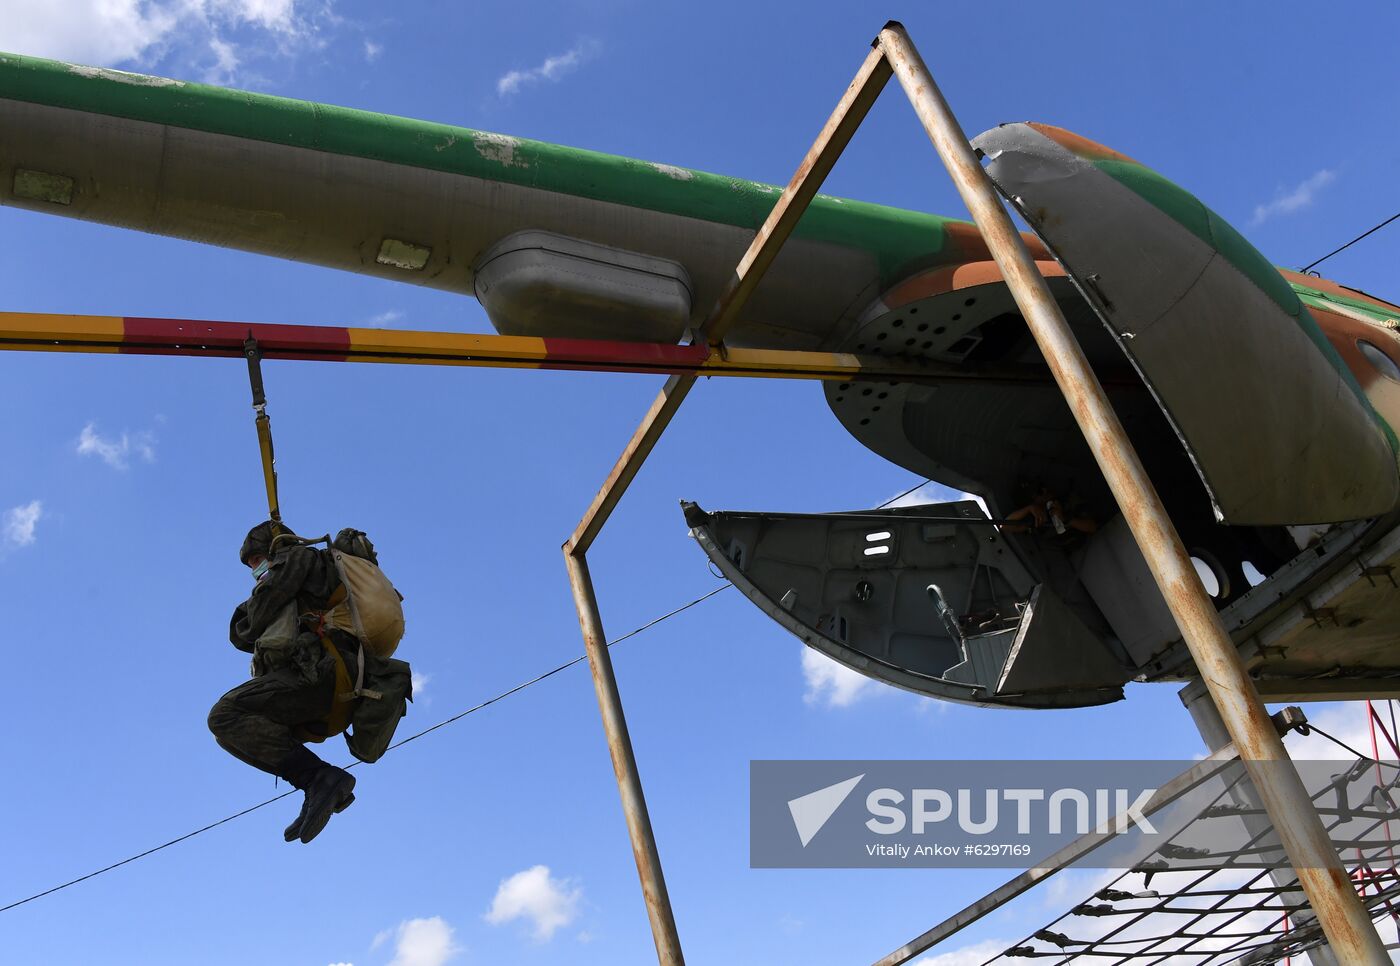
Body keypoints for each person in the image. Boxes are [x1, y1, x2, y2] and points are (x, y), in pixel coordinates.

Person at [208, 520, 362, 844]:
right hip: (316, 680)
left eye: (255, 560)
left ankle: (320, 778)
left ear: (272, 549)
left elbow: (245, 628)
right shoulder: (293, 573)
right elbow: (245, 632)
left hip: (321, 674)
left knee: (224, 715)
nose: (255, 568)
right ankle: (317, 783)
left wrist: (252, 607)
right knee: (229, 736)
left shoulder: (295, 559)